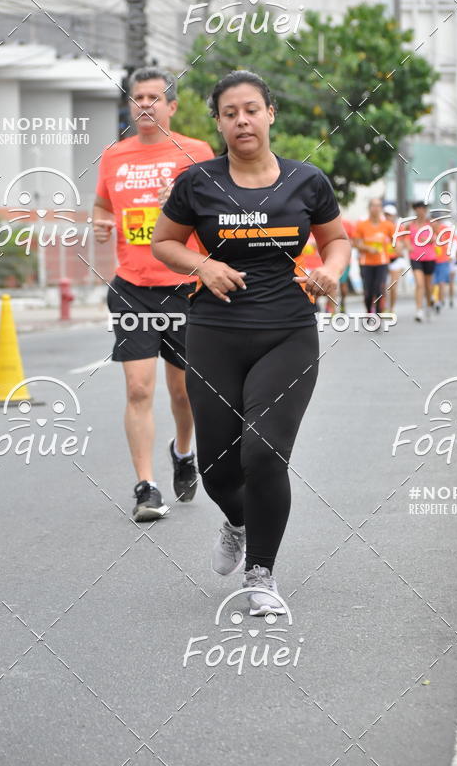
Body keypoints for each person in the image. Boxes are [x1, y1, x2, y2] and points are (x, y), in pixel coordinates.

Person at [152, 70, 350, 614]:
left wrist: (329, 273)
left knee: (263, 454)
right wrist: (204, 264)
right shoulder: (197, 182)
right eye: (230, 112)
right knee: (218, 469)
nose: (242, 119)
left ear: (270, 114)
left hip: (288, 332)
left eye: (251, 109)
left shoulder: (307, 182)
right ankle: (238, 522)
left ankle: (260, 574)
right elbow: (163, 243)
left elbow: (336, 242)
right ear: (217, 122)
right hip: (214, 333)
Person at [93, 67, 214, 521]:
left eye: (153, 98)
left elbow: (217, 211)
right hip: (132, 289)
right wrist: (102, 224)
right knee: (139, 389)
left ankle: (183, 452)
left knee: (184, 394)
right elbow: (103, 205)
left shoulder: (196, 153)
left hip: (185, 289)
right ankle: (146, 487)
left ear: (172, 105)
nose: (144, 105)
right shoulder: (114, 157)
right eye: (137, 98)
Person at [354, 198, 395, 315]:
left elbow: (395, 241)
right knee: (368, 292)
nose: (376, 208)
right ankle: (368, 311)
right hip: (366, 262)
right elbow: (356, 243)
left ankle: (378, 314)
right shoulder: (362, 225)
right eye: (373, 206)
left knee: (379, 288)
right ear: (369, 208)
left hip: (382, 262)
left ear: (381, 209)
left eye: (378, 206)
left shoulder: (388, 225)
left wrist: (396, 247)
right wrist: (367, 248)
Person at [401, 201, 436, 322]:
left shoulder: (431, 224)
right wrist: (408, 246)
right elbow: (405, 238)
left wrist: (426, 239)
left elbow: (436, 238)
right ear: (415, 210)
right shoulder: (410, 225)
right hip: (416, 257)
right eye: (418, 209)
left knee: (427, 285)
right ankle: (419, 310)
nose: (421, 211)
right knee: (419, 284)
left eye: (423, 209)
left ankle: (429, 305)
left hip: (430, 257)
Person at [383, 204, 406, 314]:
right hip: (382, 260)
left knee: (392, 286)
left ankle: (391, 308)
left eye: (390, 215)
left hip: (396, 260)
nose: (388, 217)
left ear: (394, 216)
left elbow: (401, 244)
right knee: (382, 286)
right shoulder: (381, 227)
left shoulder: (399, 228)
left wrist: (397, 249)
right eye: (386, 215)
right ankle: (383, 307)